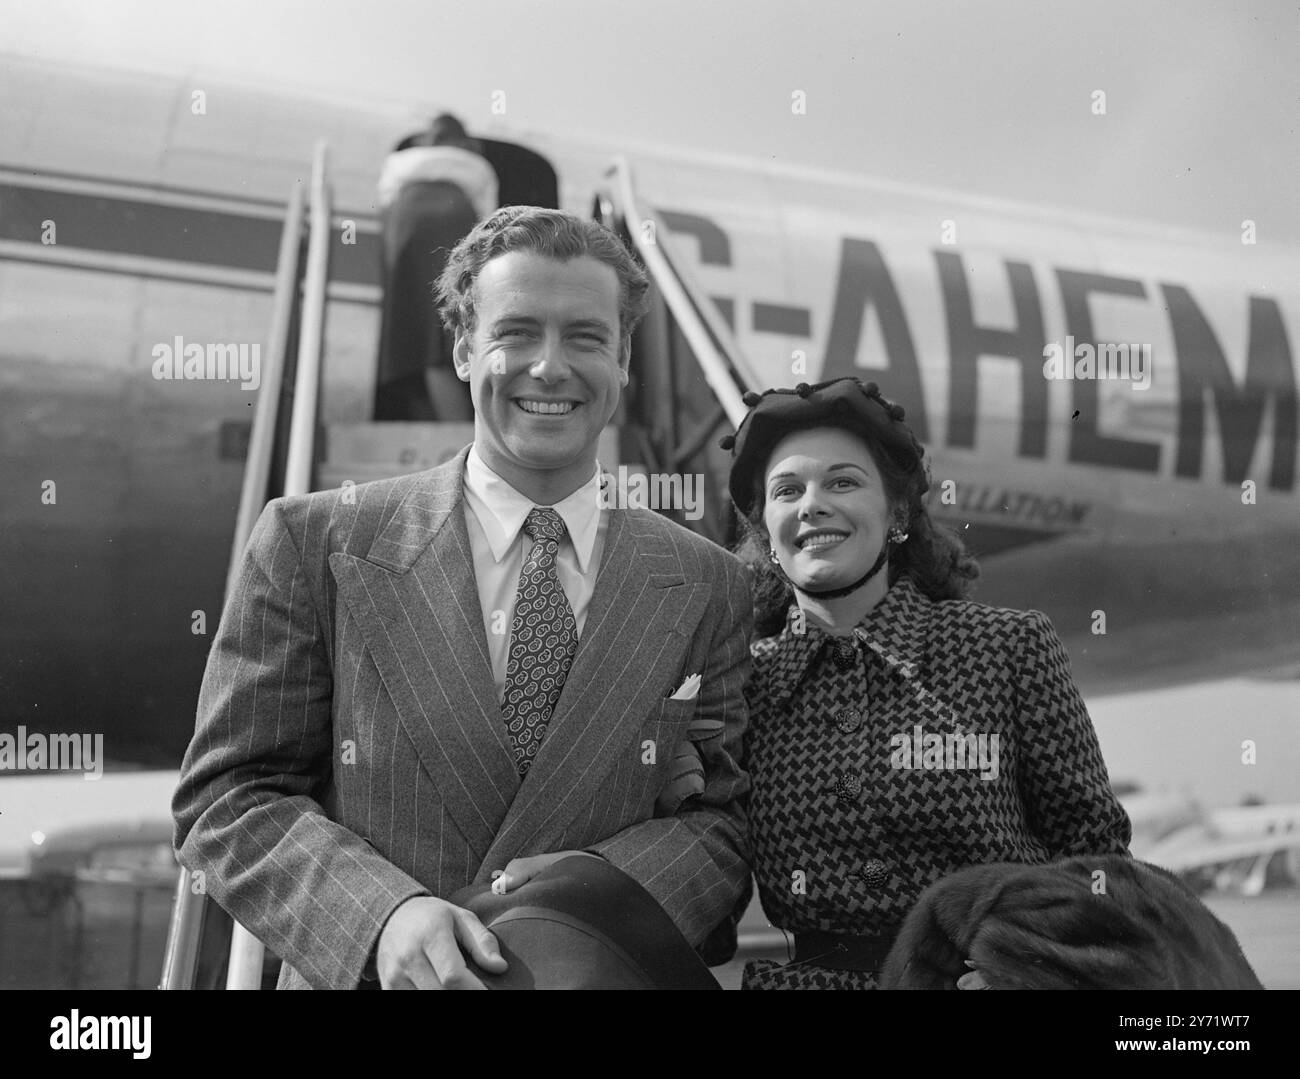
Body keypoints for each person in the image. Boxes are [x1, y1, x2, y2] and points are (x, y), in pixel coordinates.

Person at [173, 206, 753, 990]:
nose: (549, 368)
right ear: (462, 350)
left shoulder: (709, 582)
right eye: (516, 333)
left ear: (624, 364)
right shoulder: (316, 544)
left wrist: (592, 896)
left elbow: (721, 821)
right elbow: (228, 794)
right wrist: (381, 916)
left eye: (585, 337)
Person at [720, 376, 1132, 990]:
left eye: (843, 481)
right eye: (787, 491)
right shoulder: (746, 684)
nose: (812, 505)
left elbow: (1099, 860)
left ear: (899, 513)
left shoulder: (1008, 648)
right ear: (766, 532)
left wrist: (1033, 971)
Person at [374, 113, 497, 421]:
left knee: (413, 336)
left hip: (405, 230)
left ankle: (437, 421)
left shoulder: (401, 163)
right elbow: (489, 217)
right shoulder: (478, 166)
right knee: (443, 338)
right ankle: (460, 431)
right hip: (457, 224)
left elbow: (384, 201)